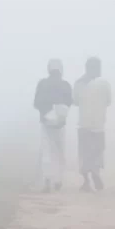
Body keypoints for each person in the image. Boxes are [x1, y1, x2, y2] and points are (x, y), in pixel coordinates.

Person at [33, 58, 72, 193]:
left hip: (46, 123)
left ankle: (47, 180)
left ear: (49, 69)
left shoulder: (42, 84)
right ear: (61, 70)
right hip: (60, 124)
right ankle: (58, 180)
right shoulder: (65, 85)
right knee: (59, 152)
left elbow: (36, 103)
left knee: (47, 151)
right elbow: (69, 102)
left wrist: (47, 112)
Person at [73, 57, 111, 192]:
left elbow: (75, 101)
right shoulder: (105, 84)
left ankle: (86, 181)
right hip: (99, 125)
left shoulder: (79, 83)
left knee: (84, 154)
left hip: (84, 124)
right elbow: (108, 101)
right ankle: (96, 172)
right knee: (97, 152)